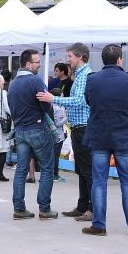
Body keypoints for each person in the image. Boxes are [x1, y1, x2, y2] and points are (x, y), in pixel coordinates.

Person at [81, 44, 128, 236]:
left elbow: (88, 101)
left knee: (99, 181)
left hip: (99, 135)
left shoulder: (92, 80)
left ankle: (99, 225)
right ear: (119, 60)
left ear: (103, 60)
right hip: (124, 136)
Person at [38, 43, 93, 222]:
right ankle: (83, 205)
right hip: (79, 128)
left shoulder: (84, 75)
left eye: (70, 56)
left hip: (83, 128)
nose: (67, 60)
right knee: (82, 170)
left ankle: (91, 208)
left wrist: (54, 99)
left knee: (87, 171)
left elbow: (79, 100)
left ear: (80, 57)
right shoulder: (79, 75)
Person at [8, 49, 57, 220]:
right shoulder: (36, 80)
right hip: (37, 128)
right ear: (28, 64)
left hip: (20, 130)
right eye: (37, 62)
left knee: (21, 170)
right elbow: (46, 104)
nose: (40, 64)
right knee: (47, 168)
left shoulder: (13, 84)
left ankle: (19, 208)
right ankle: (44, 208)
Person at [50, 88, 67, 182]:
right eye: (62, 95)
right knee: (56, 156)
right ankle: (55, 175)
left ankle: (52, 174)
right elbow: (57, 124)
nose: (63, 97)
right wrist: (66, 118)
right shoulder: (59, 109)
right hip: (58, 135)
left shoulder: (50, 106)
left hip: (51, 135)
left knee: (52, 155)